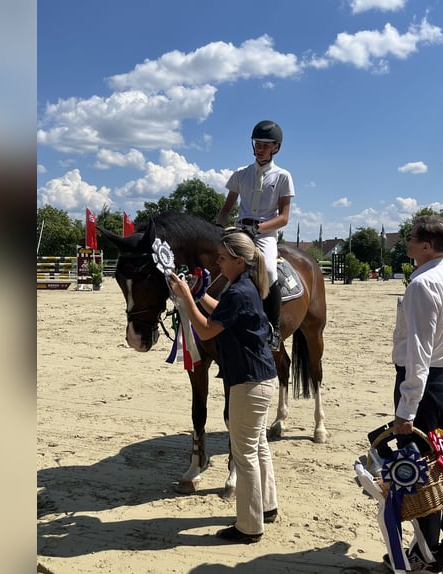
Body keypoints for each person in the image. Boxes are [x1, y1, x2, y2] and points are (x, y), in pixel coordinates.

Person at [167, 230, 279, 544]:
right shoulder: (245, 286)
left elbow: (205, 332)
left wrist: (185, 297)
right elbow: (221, 312)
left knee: (244, 456)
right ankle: (266, 507)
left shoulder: (239, 290)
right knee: (257, 447)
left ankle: (248, 526)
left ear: (239, 261)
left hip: (247, 381)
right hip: (259, 377)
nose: (217, 261)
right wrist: (198, 292)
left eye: (223, 258)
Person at [387, 214, 443, 574]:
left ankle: (425, 551)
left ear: (425, 245)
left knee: (421, 472)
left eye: (411, 238)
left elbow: (419, 350)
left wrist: (407, 408)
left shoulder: (421, 285)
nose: (406, 243)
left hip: (426, 384)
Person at [216, 119, 294, 351]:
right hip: (239, 230)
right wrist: (220, 227)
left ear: (276, 148)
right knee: (216, 264)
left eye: (265, 145)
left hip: (265, 233)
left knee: (268, 270)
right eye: (257, 143)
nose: (260, 148)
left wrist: (258, 229)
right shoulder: (241, 174)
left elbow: (284, 217)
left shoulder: (282, 176)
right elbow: (226, 208)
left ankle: (274, 328)